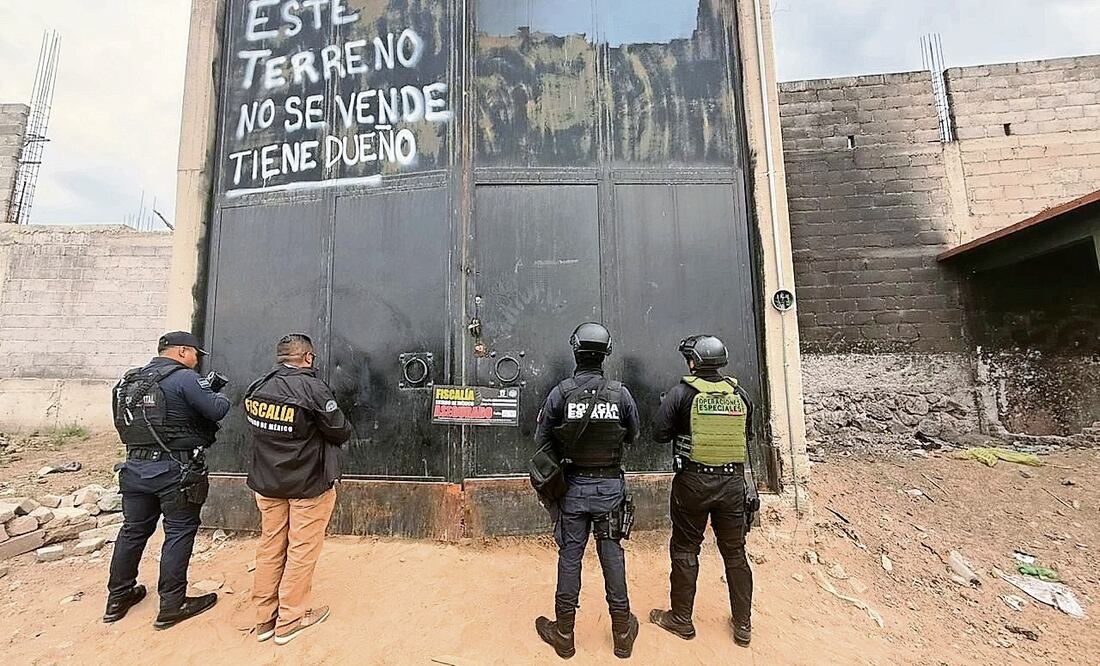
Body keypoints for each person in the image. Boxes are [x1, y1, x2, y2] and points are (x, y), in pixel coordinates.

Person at [106, 331, 230, 629]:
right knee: (178, 531)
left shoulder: (128, 381)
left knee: (133, 531)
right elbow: (216, 409)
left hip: (134, 467)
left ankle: (117, 598)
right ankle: (173, 604)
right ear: (183, 352)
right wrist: (219, 395)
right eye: (195, 354)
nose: (197, 359)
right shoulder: (184, 378)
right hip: (174, 470)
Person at [533, 322, 641, 660]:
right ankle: (622, 634)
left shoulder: (560, 393)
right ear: (606, 353)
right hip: (610, 490)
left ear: (575, 351)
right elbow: (633, 436)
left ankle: (564, 634)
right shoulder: (621, 394)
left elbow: (542, 443)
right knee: (612, 557)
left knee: (570, 558)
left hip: (574, 491)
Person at [649, 334, 758, 647]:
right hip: (732, 484)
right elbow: (746, 436)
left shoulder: (681, 393)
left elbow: (659, 434)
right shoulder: (741, 394)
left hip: (693, 484)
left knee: (685, 547)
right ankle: (743, 625)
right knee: (735, 553)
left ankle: (681, 619)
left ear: (693, 362)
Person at [244, 333, 351, 645]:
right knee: (302, 548)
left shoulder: (259, 386)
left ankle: (264, 619)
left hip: (267, 482)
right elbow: (339, 430)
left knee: (270, 546)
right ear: (308, 357)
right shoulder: (313, 388)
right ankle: (291, 618)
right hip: (307, 484)